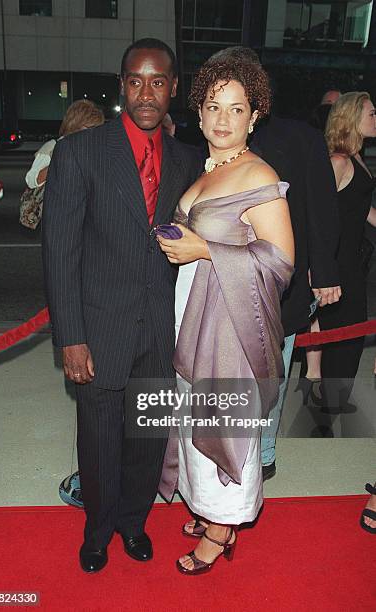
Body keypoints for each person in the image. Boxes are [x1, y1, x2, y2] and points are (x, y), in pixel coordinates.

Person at [42, 38, 202, 573]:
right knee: (100, 438)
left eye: (158, 81)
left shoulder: (187, 160)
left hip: (161, 330)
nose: (146, 93)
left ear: (174, 88)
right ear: (121, 86)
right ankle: (97, 529)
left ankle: (133, 522)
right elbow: (60, 253)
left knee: (147, 438)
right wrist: (70, 337)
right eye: (136, 80)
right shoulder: (80, 152)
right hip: (99, 329)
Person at [157, 53, 295, 574]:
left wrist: (206, 252)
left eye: (236, 109)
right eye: (213, 106)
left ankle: (222, 528)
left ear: (254, 115)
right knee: (194, 414)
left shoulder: (258, 173)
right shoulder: (209, 166)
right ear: (199, 110)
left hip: (231, 320)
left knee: (221, 419)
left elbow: (280, 260)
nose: (222, 119)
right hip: (192, 308)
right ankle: (206, 507)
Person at [204, 47, 341, 480]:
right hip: (217, 287)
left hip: (280, 285)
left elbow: (321, 208)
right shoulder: (206, 137)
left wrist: (326, 272)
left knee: (267, 380)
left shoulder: (299, 137)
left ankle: (260, 456)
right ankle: (222, 460)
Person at [317, 92, 376, 413]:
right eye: (371, 113)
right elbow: (319, 215)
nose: (375, 118)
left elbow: (361, 207)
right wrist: (320, 267)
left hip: (353, 257)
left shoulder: (357, 159)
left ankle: (336, 397)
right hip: (337, 260)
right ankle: (329, 402)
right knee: (342, 331)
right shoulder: (339, 161)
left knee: (352, 329)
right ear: (353, 119)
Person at [25, 99, 104, 189]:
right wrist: (58, 163)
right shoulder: (53, 147)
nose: (93, 133)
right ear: (75, 124)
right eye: (90, 127)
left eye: (97, 128)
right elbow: (31, 180)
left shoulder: (93, 149)